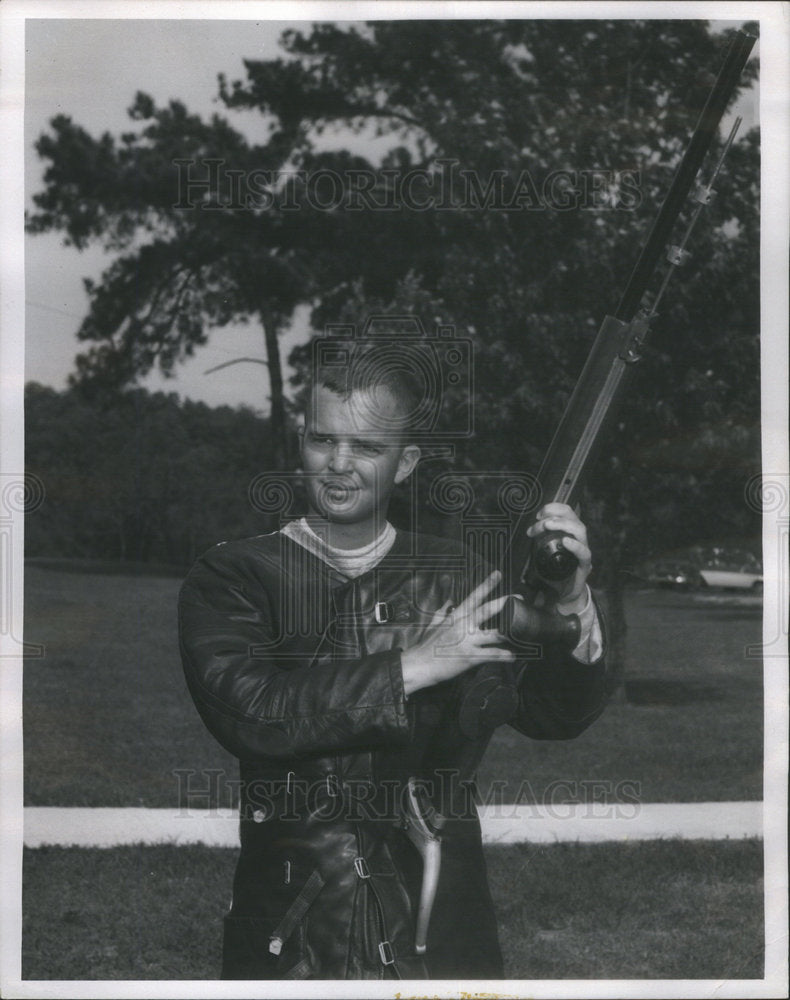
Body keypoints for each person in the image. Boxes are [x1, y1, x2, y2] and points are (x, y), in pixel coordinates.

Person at [178, 342, 607, 980]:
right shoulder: (237, 574)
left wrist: (573, 602)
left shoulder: (458, 576)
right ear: (302, 442)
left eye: (368, 448)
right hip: (299, 932)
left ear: (405, 463)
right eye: (324, 441)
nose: (340, 465)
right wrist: (414, 665)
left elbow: (552, 713)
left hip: (442, 925)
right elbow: (254, 713)